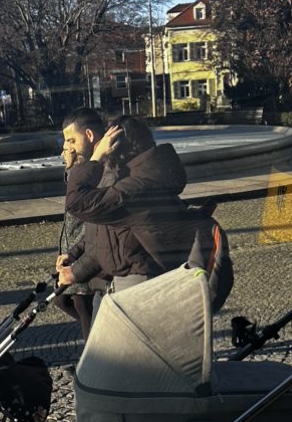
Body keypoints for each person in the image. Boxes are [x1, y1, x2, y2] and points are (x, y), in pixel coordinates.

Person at [57, 115, 195, 294]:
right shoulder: (141, 177)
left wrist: (97, 158)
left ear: (117, 146)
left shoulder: (132, 189)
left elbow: (76, 203)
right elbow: (106, 233)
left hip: (137, 282)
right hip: (132, 275)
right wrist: (76, 254)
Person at [53, 107, 106, 342]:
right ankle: (102, 339)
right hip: (76, 245)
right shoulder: (87, 164)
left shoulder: (100, 166)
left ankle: (95, 354)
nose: (68, 147)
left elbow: (80, 201)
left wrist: (79, 253)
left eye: (72, 140)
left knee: (82, 303)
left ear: (90, 135)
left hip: (88, 248)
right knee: (62, 299)